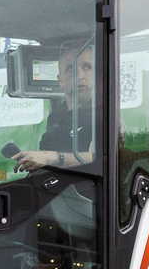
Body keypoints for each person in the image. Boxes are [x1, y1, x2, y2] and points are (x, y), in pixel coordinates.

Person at [13, 41, 96, 172]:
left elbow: (97, 159)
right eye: (70, 69)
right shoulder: (56, 116)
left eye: (86, 67)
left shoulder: (104, 112)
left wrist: (54, 158)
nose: (79, 76)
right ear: (60, 80)